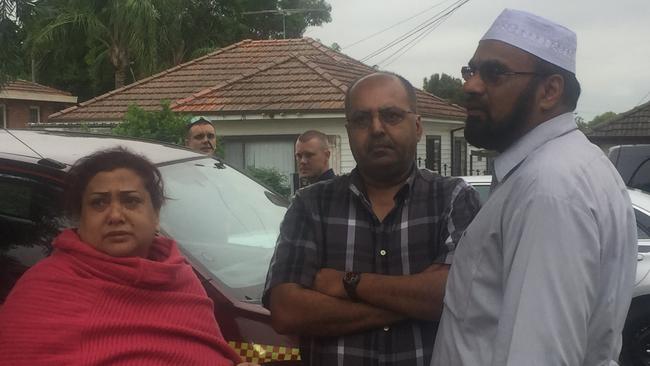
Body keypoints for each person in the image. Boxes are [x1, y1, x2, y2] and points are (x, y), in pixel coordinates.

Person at [432, 9, 637, 366]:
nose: (471, 85)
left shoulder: (550, 187)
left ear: (550, 90)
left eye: (494, 73)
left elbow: (540, 354)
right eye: (471, 70)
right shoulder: (565, 167)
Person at [263, 72, 481, 365]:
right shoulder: (311, 205)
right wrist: (417, 300)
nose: (377, 129)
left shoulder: (452, 198)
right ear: (348, 131)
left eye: (391, 115)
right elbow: (287, 310)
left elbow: (460, 293)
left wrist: (347, 283)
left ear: (417, 127)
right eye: (362, 119)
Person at [0, 147, 252, 366]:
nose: (115, 215)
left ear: (155, 213)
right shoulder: (43, 293)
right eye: (99, 203)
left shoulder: (180, 277)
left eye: (130, 201)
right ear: (80, 217)